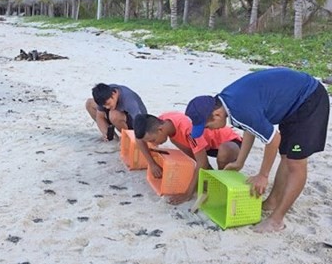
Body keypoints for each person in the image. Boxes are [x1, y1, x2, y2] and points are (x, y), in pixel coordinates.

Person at [185, 67, 330, 233]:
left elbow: (273, 139)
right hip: (292, 104)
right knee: (286, 155)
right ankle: (272, 202)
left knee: (295, 162)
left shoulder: (239, 108)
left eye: (208, 126)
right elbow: (251, 127)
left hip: (308, 99)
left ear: (216, 114)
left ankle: (276, 220)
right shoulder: (227, 102)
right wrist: (240, 162)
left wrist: (263, 175)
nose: (209, 130)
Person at [134, 112, 241, 204]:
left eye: (152, 140)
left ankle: (221, 181)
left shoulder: (188, 129)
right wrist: (151, 163)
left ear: (160, 130)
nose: (153, 143)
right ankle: (209, 174)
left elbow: (202, 162)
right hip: (205, 145)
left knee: (222, 154)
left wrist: (187, 194)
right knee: (176, 139)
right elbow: (139, 138)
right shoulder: (162, 121)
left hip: (230, 143)